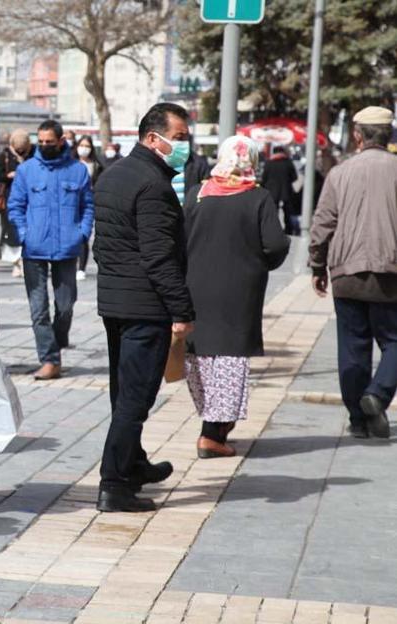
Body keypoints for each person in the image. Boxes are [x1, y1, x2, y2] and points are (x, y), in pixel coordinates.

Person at [93, 102, 195, 512]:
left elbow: (102, 247)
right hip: (144, 307)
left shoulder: (114, 175)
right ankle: (114, 483)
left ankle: (133, 464)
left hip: (116, 303)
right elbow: (158, 257)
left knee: (125, 395)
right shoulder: (153, 185)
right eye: (181, 138)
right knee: (135, 399)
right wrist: (182, 310)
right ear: (154, 138)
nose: (186, 146)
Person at [184, 136, 289, 458]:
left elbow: (178, 238)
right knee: (229, 357)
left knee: (200, 357)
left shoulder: (197, 194)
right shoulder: (258, 198)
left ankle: (213, 425)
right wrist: (257, 263)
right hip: (239, 291)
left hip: (195, 288)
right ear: (251, 161)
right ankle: (212, 434)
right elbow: (275, 244)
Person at [310, 106, 397, 439]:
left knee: (352, 347)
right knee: (393, 341)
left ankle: (359, 419)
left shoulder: (340, 173)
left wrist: (317, 266)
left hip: (346, 272)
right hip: (390, 271)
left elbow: (322, 224)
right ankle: (377, 394)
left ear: (358, 135)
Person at [7, 119, 94, 381]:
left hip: (68, 248)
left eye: (49, 142)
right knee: (38, 309)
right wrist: (24, 233)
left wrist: (82, 233)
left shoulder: (78, 171)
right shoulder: (27, 171)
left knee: (65, 306)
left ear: (60, 141)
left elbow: (88, 205)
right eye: (40, 142)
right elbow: (16, 206)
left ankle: (55, 344)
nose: (44, 146)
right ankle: (50, 359)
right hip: (34, 248)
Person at [0, 129, 33, 278]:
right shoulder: (5, 155)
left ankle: (25, 260)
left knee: (28, 228)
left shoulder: (33, 154)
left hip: (30, 198)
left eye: (23, 148)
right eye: (18, 148)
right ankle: (16, 262)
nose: (21, 151)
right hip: (9, 198)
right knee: (11, 230)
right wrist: (8, 175)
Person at [74, 135, 104, 281]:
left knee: (84, 234)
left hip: (89, 202)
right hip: (73, 203)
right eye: (81, 145)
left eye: (87, 146)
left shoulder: (97, 166)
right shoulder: (71, 164)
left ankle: (82, 267)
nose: (84, 149)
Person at [261, 145, 299, 235]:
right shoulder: (288, 162)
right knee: (287, 211)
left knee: (273, 211)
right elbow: (295, 177)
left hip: (272, 192)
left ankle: (273, 229)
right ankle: (288, 229)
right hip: (286, 191)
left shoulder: (269, 163)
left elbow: (264, 178)